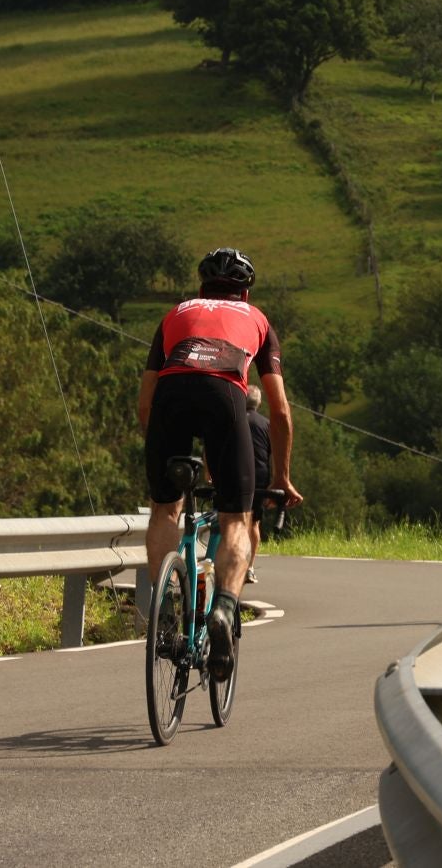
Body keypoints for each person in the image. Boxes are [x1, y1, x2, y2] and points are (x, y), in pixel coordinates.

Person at [138, 247, 303, 682]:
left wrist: (159, 452)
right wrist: (282, 477)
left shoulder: (175, 315)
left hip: (171, 398)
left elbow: (145, 404)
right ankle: (225, 610)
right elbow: (280, 410)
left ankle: (166, 612)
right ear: (245, 293)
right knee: (236, 518)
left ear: (201, 288)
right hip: (225, 395)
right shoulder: (258, 320)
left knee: (165, 510)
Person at [244, 384, 272, 584]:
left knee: (232, 520)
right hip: (260, 476)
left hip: (234, 472)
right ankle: (250, 567)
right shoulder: (266, 424)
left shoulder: (233, 419)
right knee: (254, 522)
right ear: (259, 403)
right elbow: (273, 454)